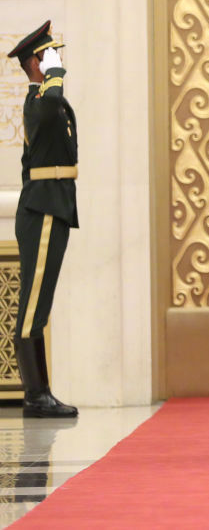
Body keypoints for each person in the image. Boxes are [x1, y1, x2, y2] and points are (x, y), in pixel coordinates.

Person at [6, 21, 78, 418]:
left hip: (54, 206)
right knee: (34, 305)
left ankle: (41, 392)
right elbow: (51, 104)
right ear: (36, 62)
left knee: (40, 302)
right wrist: (54, 74)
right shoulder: (39, 102)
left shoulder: (47, 103)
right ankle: (36, 395)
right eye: (50, 54)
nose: (56, 58)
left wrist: (53, 78)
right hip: (44, 210)